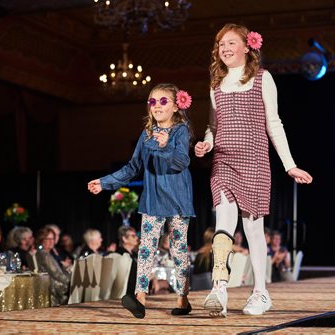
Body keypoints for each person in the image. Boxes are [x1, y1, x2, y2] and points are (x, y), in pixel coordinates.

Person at [194, 23, 313, 317]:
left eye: (232, 42)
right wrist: (206, 145)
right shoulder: (215, 85)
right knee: (222, 220)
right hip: (222, 160)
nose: (225, 48)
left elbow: (274, 124)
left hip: (255, 161)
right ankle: (219, 288)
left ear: (247, 47)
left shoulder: (263, 79)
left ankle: (260, 292)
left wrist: (290, 165)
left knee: (252, 229)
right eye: (221, 44)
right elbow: (212, 127)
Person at [88, 83, 195, 318]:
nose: (156, 106)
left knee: (178, 250)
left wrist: (165, 145)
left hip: (178, 200)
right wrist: (105, 182)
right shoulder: (146, 135)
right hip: (153, 200)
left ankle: (183, 298)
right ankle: (139, 298)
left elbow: (181, 162)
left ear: (176, 106)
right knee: (146, 248)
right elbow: (132, 167)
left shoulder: (180, 130)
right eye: (152, 102)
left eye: (163, 101)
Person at [34, 227, 71, 306]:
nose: (51, 241)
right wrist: (71, 282)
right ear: (41, 240)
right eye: (48, 239)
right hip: (52, 290)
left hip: (54, 286)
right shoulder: (43, 254)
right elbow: (56, 274)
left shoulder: (48, 253)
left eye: (52, 239)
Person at [113, 225, 139, 296]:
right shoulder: (120, 254)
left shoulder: (134, 254)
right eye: (133, 236)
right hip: (127, 290)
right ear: (124, 238)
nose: (137, 238)